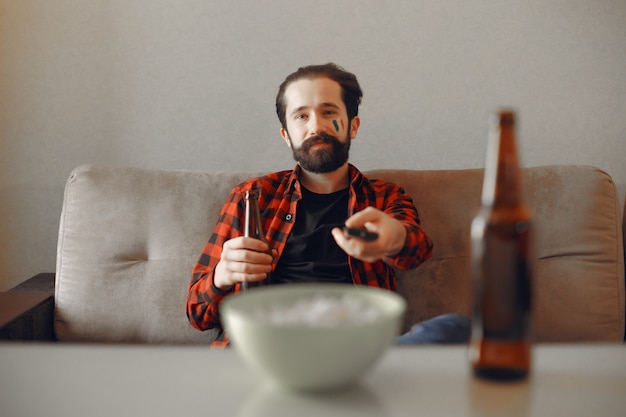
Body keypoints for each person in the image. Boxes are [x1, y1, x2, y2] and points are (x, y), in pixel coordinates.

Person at [186, 63, 470, 346]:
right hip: (269, 343)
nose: (316, 126)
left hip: (354, 347)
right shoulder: (253, 196)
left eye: (329, 112)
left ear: (353, 126)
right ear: (286, 136)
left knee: (454, 327)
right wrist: (222, 275)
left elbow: (416, 250)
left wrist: (393, 238)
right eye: (301, 116)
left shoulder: (385, 196)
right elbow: (197, 314)